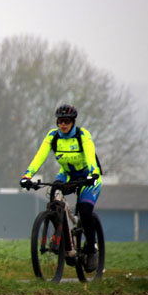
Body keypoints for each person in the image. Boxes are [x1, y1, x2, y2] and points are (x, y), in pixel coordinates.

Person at [20, 104, 102, 272]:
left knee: (85, 211)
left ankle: (92, 248)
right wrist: (27, 175)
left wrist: (93, 173)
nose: (63, 125)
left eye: (66, 121)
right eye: (60, 121)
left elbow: (90, 156)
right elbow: (39, 157)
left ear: (72, 122)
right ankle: (61, 237)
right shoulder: (53, 136)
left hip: (88, 175)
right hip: (67, 174)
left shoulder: (82, 136)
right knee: (54, 197)